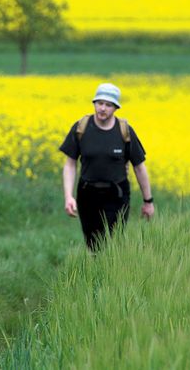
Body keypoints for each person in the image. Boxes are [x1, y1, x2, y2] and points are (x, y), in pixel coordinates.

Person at [59, 83, 155, 252]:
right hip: (87, 194)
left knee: (113, 244)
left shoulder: (124, 131)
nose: (102, 108)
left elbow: (139, 167)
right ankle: (97, 276)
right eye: (99, 103)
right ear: (94, 103)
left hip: (116, 195)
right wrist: (68, 196)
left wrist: (148, 201)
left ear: (116, 108)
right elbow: (70, 164)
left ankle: (111, 275)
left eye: (108, 105)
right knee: (93, 245)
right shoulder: (81, 127)